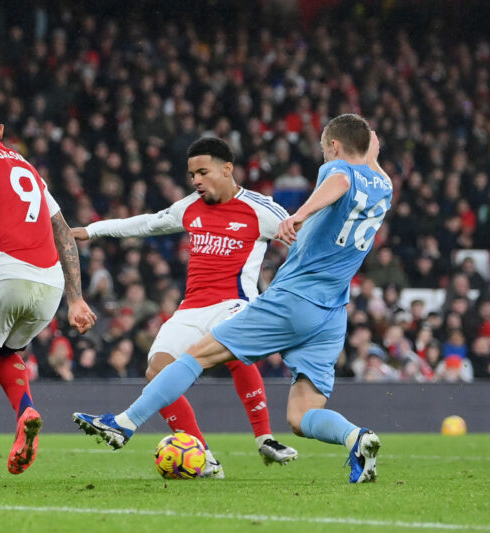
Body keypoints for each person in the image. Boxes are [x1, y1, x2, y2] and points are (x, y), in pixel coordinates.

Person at [74, 114, 391, 484]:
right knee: (302, 415)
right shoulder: (382, 183)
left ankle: (124, 423)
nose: (323, 156)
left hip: (295, 298)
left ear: (334, 147)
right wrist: (371, 151)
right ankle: (357, 437)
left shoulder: (334, 172)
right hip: (333, 311)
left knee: (198, 355)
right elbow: (363, 167)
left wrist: (302, 213)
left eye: (324, 149)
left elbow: (338, 178)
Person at [72, 137, 297, 478]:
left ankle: (265, 437)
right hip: (191, 308)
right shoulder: (190, 206)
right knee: (156, 371)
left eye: (203, 172)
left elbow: (303, 239)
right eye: (192, 174)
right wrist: (91, 231)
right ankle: (204, 457)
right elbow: (146, 223)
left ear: (227, 169)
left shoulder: (261, 209)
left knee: (230, 346)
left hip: (235, 303)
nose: (196, 181)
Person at [0, 95, 96, 487]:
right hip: (49, 283)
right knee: (7, 352)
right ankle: (25, 410)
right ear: (1, 130)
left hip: (6, 273)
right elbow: (62, 229)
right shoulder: (27, 167)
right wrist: (75, 297)